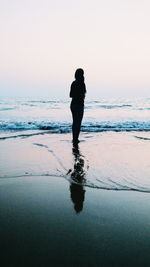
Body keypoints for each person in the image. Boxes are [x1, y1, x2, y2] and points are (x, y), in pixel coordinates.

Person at [70, 68, 86, 145]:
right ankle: (76, 139)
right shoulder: (82, 83)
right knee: (78, 122)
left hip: (73, 104)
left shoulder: (73, 83)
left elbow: (70, 95)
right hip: (79, 105)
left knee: (74, 122)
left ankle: (74, 138)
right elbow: (83, 95)